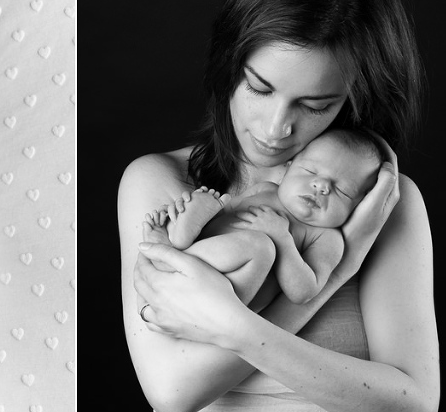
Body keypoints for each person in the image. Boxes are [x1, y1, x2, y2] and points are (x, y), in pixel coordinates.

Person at [118, 0, 439, 412]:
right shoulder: (164, 182)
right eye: (259, 87)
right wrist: (342, 267)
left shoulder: (379, 205)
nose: (274, 130)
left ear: (354, 100)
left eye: (315, 106)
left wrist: (238, 325)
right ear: (230, 61)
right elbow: (174, 390)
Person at [143, 129, 383, 308]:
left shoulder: (326, 238)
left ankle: (172, 255)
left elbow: (304, 292)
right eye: (311, 172)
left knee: (261, 246)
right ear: (287, 169)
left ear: (360, 205)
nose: (320, 187)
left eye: (341, 190)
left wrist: (282, 239)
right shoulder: (265, 190)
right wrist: (202, 207)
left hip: (228, 297)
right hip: (203, 260)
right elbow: (228, 211)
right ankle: (179, 236)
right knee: (211, 206)